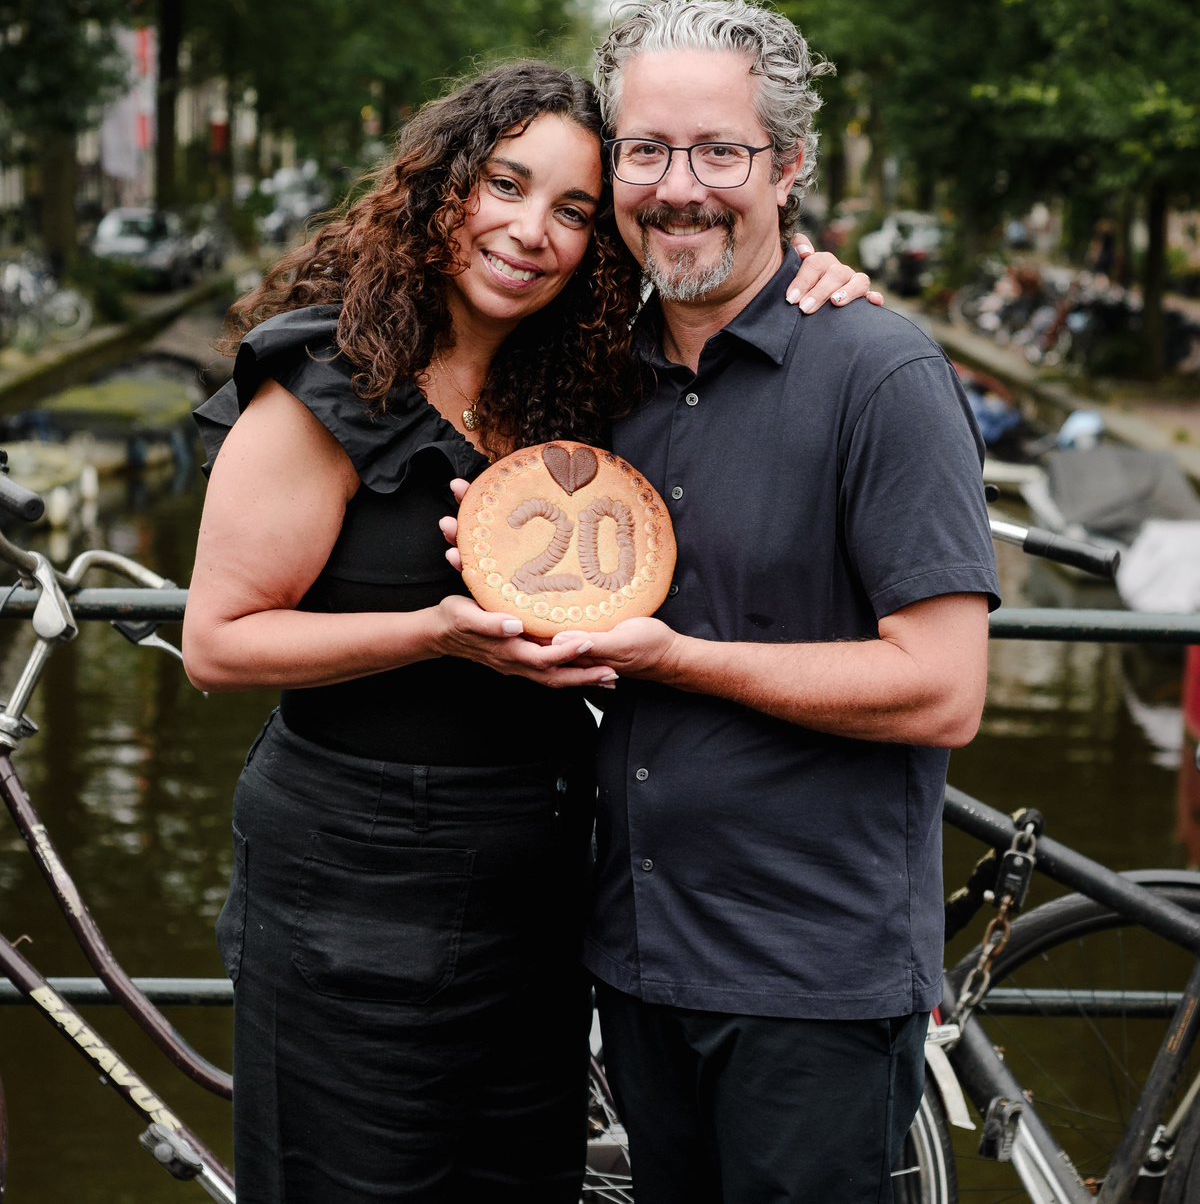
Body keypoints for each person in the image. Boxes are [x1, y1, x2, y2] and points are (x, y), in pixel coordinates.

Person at [182, 59, 876, 1204]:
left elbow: (731, 290)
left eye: (571, 210)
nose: (530, 231)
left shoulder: (572, 392)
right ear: (441, 188)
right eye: (505, 185)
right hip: (356, 879)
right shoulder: (327, 384)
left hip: (544, 880)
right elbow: (218, 641)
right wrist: (435, 632)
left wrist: (817, 275)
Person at [570, 0, 1000, 1204]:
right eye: (647, 150)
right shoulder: (607, 370)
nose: (680, 186)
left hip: (806, 978)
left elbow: (942, 686)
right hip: (640, 960)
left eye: (722, 151)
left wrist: (674, 657)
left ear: (789, 164)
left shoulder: (883, 373)